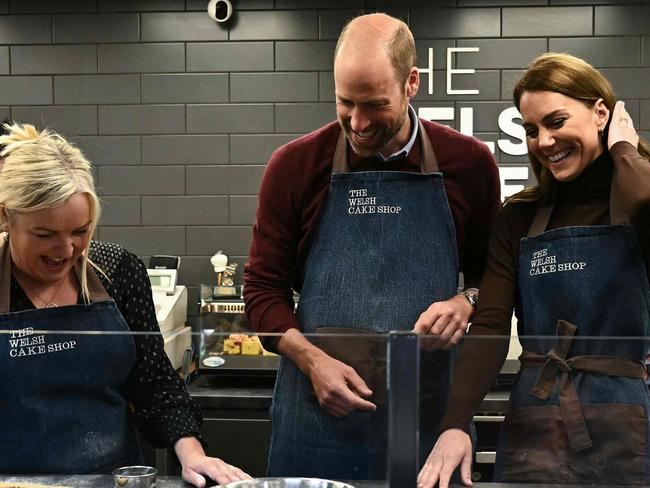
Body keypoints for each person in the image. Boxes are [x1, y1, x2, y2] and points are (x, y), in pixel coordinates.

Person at [243, 12, 501, 480]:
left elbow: (492, 282)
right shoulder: (296, 166)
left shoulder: (470, 163)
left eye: (375, 105)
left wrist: (467, 300)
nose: (357, 124)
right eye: (345, 102)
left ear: (411, 84)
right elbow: (262, 290)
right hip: (317, 421)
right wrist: (313, 361)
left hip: (426, 422)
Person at [418, 52, 650, 488]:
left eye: (556, 121)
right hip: (536, 418)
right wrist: (455, 423)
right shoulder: (519, 217)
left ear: (601, 112)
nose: (544, 141)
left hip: (625, 418)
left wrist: (623, 147)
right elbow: (489, 324)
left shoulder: (639, 203)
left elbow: (644, 202)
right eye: (531, 130)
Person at [0, 123, 252, 486]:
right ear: (7, 216)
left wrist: (191, 451)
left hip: (113, 479)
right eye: (46, 235)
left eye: (80, 231)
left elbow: (153, 382)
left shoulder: (117, 270)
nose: (67, 250)